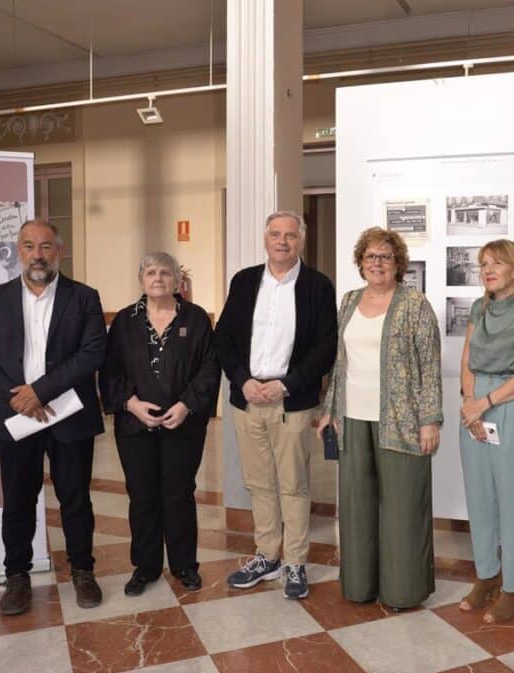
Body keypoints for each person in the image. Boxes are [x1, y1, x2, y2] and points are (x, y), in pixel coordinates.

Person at [0, 219, 107, 616]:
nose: (38, 254)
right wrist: (21, 398)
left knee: (76, 499)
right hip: (16, 419)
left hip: (70, 417)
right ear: (19, 251)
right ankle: (17, 577)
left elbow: (93, 353)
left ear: (59, 251)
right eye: (29, 246)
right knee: (17, 502)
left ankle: (82, 571)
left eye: (46, 246)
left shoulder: (84, 298)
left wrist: (40, 392)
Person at [317, 227, 442, 610]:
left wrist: (430, 419)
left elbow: (430, 364)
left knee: (402, 507)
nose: (376, 263)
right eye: (370, 256)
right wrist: (330, 410)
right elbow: (340, 362)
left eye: (385, 257)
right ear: (360, 263)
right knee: (356, 506)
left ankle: (403, 591)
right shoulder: (349, 301)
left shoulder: (414, 303)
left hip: (403, 420)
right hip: (352, 418)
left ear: (398, 264)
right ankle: (359, 586)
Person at [214, 211, 337, 600]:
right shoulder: (245, 281)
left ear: (300, 241)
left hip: (292, 402)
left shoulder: (317, 286)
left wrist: (287, 384)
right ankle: (267, 555)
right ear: (265, 239)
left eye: (290, 236)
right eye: (275, 235)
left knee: (294, 485)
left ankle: (295, 562)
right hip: (247, 398)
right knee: (259, 482)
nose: (282, 241)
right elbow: (224, 338)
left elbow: (325, 347)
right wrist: (242, 379)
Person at [99, 252, 220, 597]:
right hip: (135, 425)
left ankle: (184, 565)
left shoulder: (196, 319)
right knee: (142, 495)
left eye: (165, 272)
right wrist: (131, 404)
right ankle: (146, 567)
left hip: (183, 424)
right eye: (151, 272)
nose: (157, 278)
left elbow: (209, 368)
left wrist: (185, 406)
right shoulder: (124, 321)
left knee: (178, 494)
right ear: (141, 279)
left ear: (177, 280)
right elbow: (110, 370)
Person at [457, 239, 514, 624]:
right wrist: (470, 401)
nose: (487, 269)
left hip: (512, 405)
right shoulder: (479, 307)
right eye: (483, 263)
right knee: (480, 498)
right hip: (475, 408)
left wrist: (484, 404)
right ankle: (487, 575)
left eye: (497, 263)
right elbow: (467, 360)